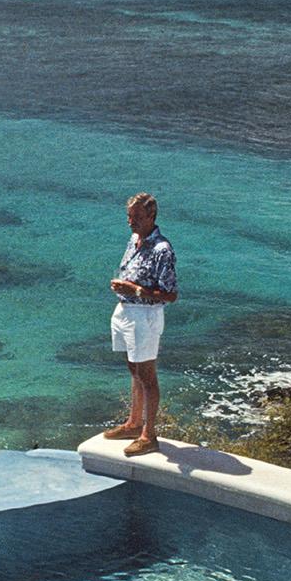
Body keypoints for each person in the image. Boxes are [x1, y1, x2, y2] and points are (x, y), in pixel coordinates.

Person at [102, 192, 178, 457]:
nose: (130, 222)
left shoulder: (162, 250)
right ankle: (133, 423)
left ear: (151, 217)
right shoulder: (135, 239)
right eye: (129, 217)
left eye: (136, 217)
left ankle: (149, 434)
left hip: (144, 317)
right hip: (126, 312)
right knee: (134, 369)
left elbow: (170, 295)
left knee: (147, 375)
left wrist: (133, 289)